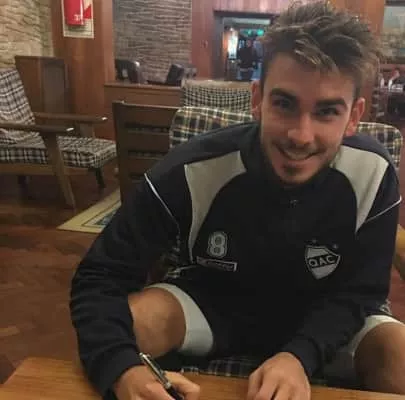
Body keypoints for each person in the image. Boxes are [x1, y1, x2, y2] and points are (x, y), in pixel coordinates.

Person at [70, 2, 405, 400]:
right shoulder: (191, 167)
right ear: (257, 98)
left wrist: (299, 356)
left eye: (327, 111)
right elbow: (99, 277)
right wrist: (123, 370)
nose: (301, 136)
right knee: (130, 325)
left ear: (354, 116)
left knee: (399, 356)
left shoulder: (374, 172)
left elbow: (362, 292)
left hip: (324, 315)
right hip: (212, 306)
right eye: (284, 104)